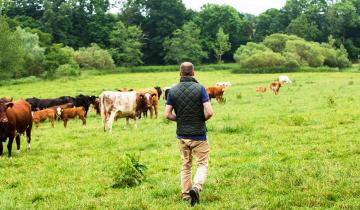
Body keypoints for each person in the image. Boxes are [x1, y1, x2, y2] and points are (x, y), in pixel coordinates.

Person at [164, 62, 214, 206]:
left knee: (186, 165)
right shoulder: (200, 89)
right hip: (199, 135)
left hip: (182, 136)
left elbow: (167, 114)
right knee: (202, 164)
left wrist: (180, 120)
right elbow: (210, 112)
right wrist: (200, 119)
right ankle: (196, 187)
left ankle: (186, 195)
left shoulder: (172, 91)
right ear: (194, 73)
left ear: (180, 73)